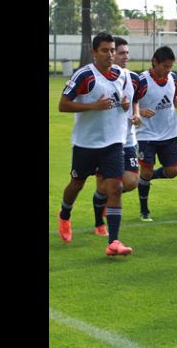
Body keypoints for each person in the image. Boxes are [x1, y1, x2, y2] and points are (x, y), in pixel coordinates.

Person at [57, 32, 133, 256]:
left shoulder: (121, 75)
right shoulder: (84, 76)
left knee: (116, 188)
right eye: (105, 50)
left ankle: (114, 241)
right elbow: (63, 105)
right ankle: (64, 214)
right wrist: (93, 106)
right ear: (94, 53)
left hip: (113, 143)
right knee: (76, 185)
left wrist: (125, 104)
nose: (110, 55)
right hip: (86, 144)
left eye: (112, 50)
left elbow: (124, 105)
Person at [134, 46, 177, 221]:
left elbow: (173, 97)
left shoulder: (172, 78)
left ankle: (145, 177)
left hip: (169, 132)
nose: (168, 70)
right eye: (165, 66)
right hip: (146, 134)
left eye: (170, 67)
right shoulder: (142, 81)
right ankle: (144, 210)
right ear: (155, 62)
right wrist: (140, 112)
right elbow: (131, 102)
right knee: (145, 171)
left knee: (173, 170)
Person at [92, 37, 142, 236]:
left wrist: (136, 113)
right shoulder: (100, 78)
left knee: (130, 181)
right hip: (104, 139)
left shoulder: (133, 78)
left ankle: (108, 197)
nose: (124, 57)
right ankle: (99, 223)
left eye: (125, 53)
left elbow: (135, 100)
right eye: (120, 53)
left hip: (128, 138)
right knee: (106, 185)